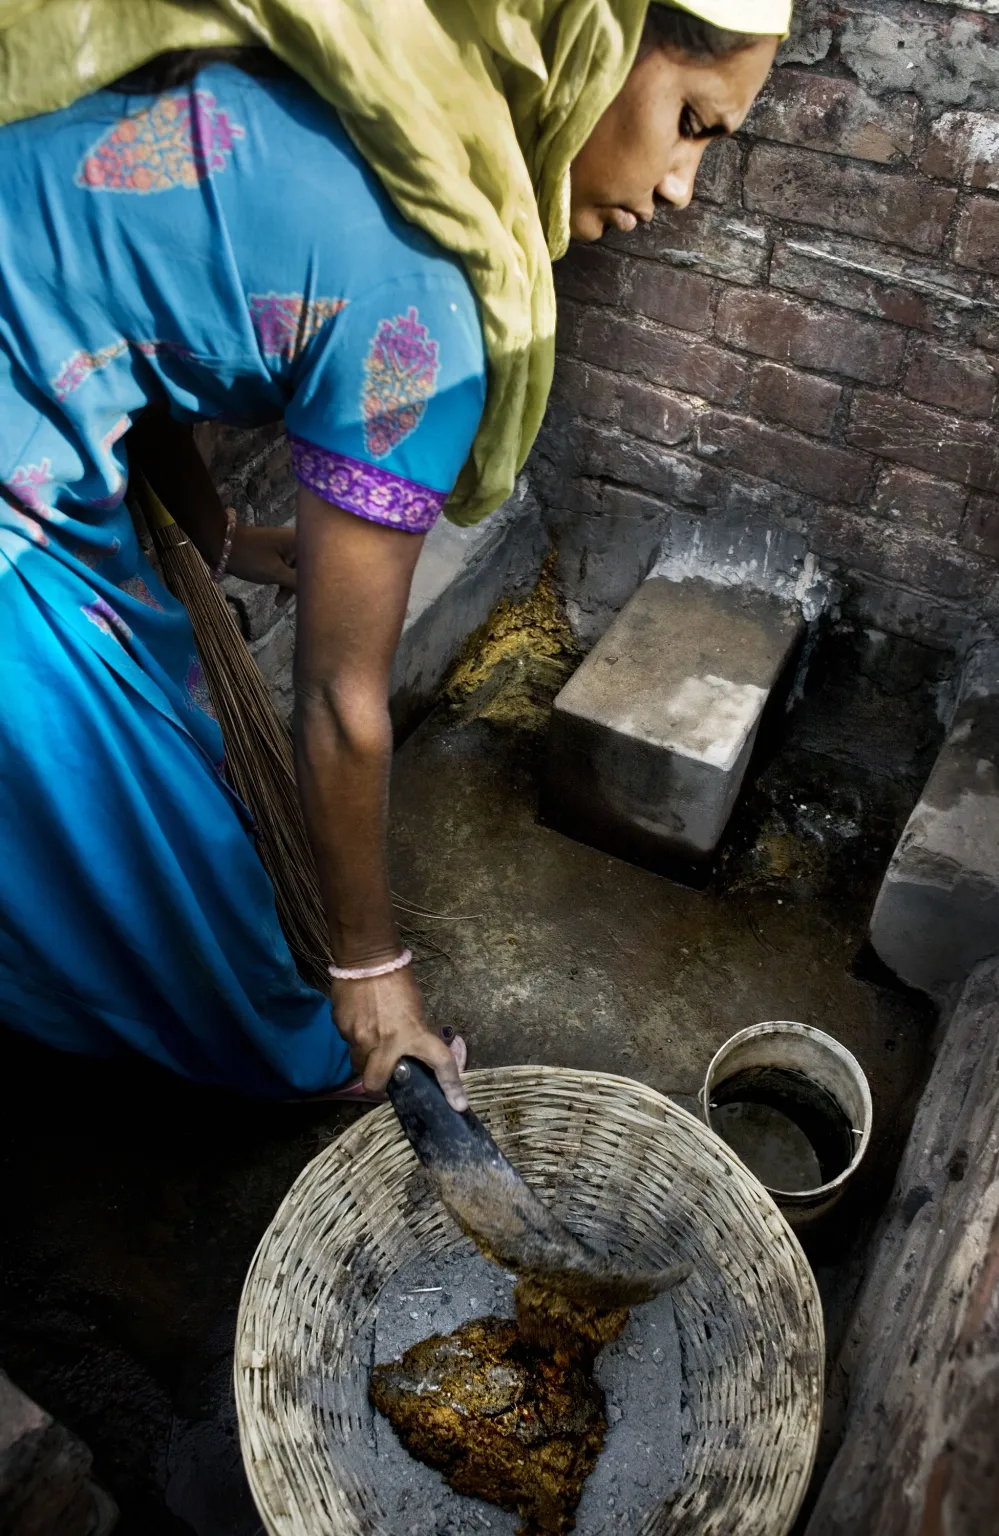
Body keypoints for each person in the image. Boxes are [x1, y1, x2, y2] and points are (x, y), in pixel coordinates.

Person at [0, 1, 784, 1110]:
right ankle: (262, 1061)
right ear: (595, 54)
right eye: (692, 123)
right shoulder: (421, 311)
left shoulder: (373, 95)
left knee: (159, 711)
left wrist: (216, 534)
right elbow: (335, 701)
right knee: (153, 873)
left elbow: (125, 307)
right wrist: (370, 977)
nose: (678, 188)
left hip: (41, 396)